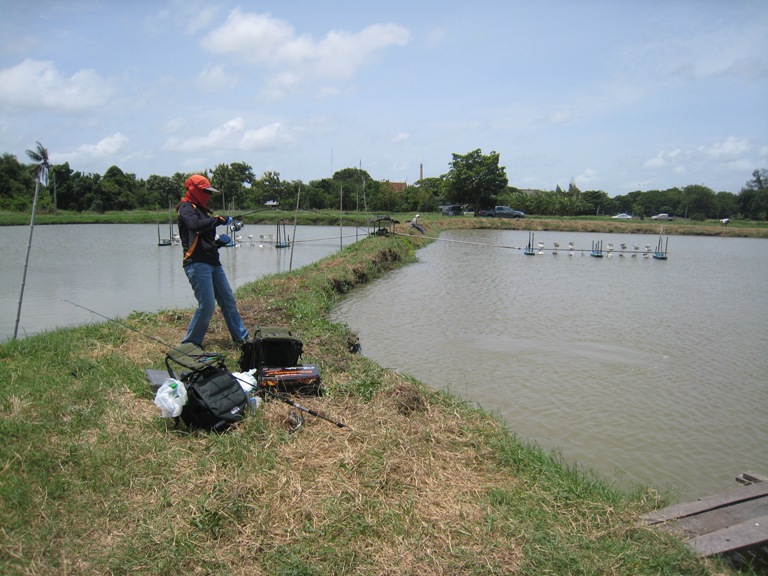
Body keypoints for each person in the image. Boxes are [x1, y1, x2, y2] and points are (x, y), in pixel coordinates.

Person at [176, 174, 249, 348]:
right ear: (194, 190)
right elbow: (194, 226)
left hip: (213, 262)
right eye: (205, 191)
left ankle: (242, 339)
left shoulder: (202, 210)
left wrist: (218, 243)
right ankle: (190, 344)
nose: (208, 195)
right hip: (196, 263)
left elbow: (204, 242)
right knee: (207, 305)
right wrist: (218, 220)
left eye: (209, 192)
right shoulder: (186, 208)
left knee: (227, 300)